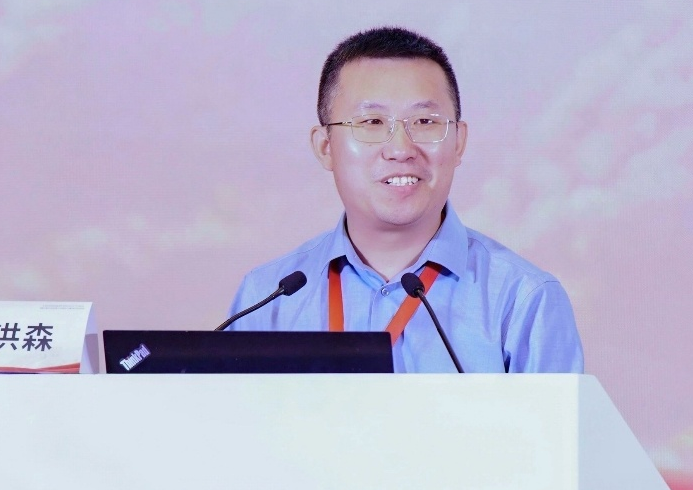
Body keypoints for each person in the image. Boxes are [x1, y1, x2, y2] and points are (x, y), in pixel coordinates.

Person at [227, 27, 583, 373]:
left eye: (425, 121)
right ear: (325, 147)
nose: (401, 149)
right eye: (372, 122)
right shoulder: (268, 299)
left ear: (458, 142)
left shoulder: (523, 300)